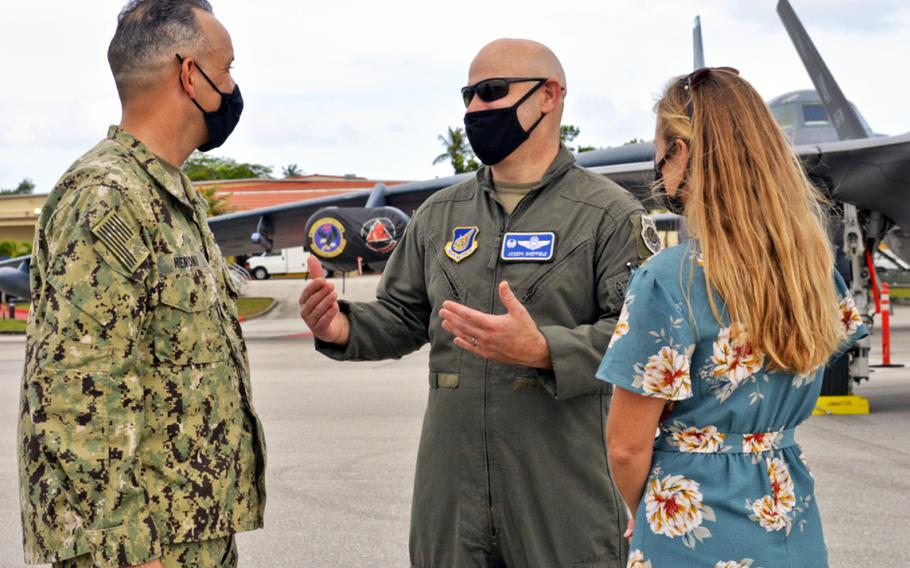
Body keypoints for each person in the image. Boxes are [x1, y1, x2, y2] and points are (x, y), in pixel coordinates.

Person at [299, 38, 659, 568]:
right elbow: (402, 316)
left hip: (561, 490)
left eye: (491, 92)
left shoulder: (607, 214)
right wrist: (340, 328)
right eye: (467, 95)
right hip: (453, 493)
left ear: (549, 97)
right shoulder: (439, 215)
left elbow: (642, 342)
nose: (474, 110)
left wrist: (545, 349)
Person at [18, 1, 266, 566]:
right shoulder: (107, 196)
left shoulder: (168, 194)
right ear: (190, 76)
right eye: (226, 70)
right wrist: (125, 549)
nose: (232, 87)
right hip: (138, 547)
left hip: (188, 530)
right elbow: (77, 391)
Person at [595, 67, 868, 567]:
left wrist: (655, 513)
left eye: (661, 149)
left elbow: (625, 448)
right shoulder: (813, 273)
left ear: (680, 151)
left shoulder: (667, 280)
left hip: (689, 534)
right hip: (792, 524)